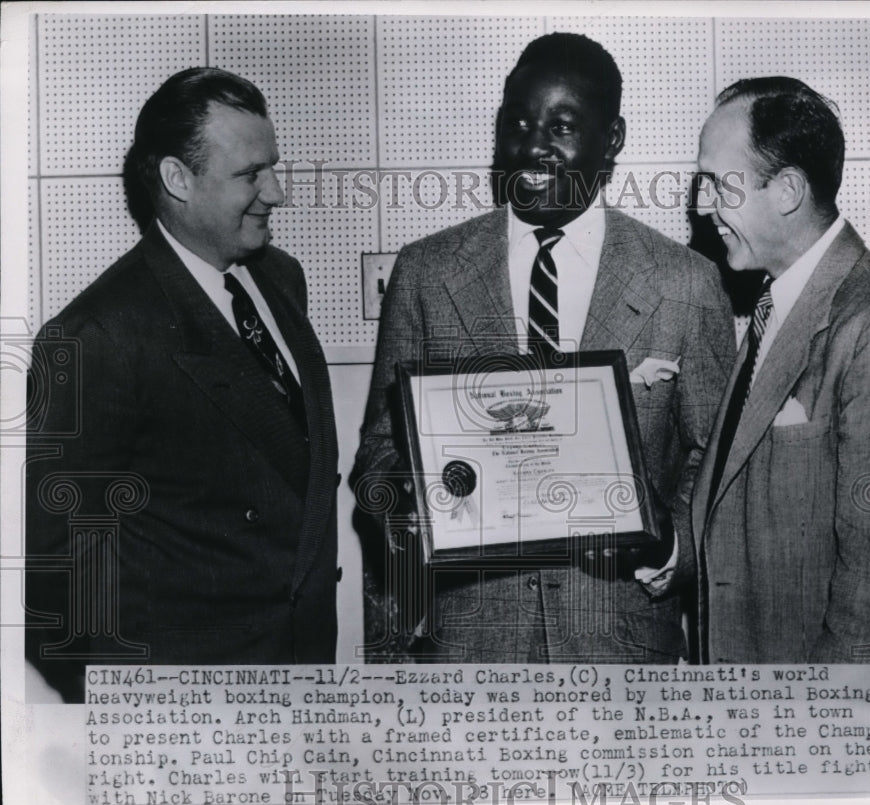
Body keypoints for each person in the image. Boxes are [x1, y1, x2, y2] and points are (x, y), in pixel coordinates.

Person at [351, 33, 734, 663]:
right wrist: (409, 504)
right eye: (518, 123)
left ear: (611, 140)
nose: (532, 146)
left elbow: (716, 463)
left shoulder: (683, 283)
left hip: (623, 648)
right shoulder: (426, 272)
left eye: (561, 126)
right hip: (469, 649)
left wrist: (673, 547)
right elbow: (380, 450)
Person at [25, 68, 340, 702]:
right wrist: (134, 718)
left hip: (305, 674)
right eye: (251, 174)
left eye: (273, 168)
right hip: (190, 704)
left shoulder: (282, 276)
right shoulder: (97, 335)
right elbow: (57, 570)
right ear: (177, 180)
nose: (275, 192)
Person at [686, 76, 870, 698]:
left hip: (823, 735)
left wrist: (814, 749)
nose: (703, 208)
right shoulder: (779, 303)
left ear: (787, 191)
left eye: (718, 185)